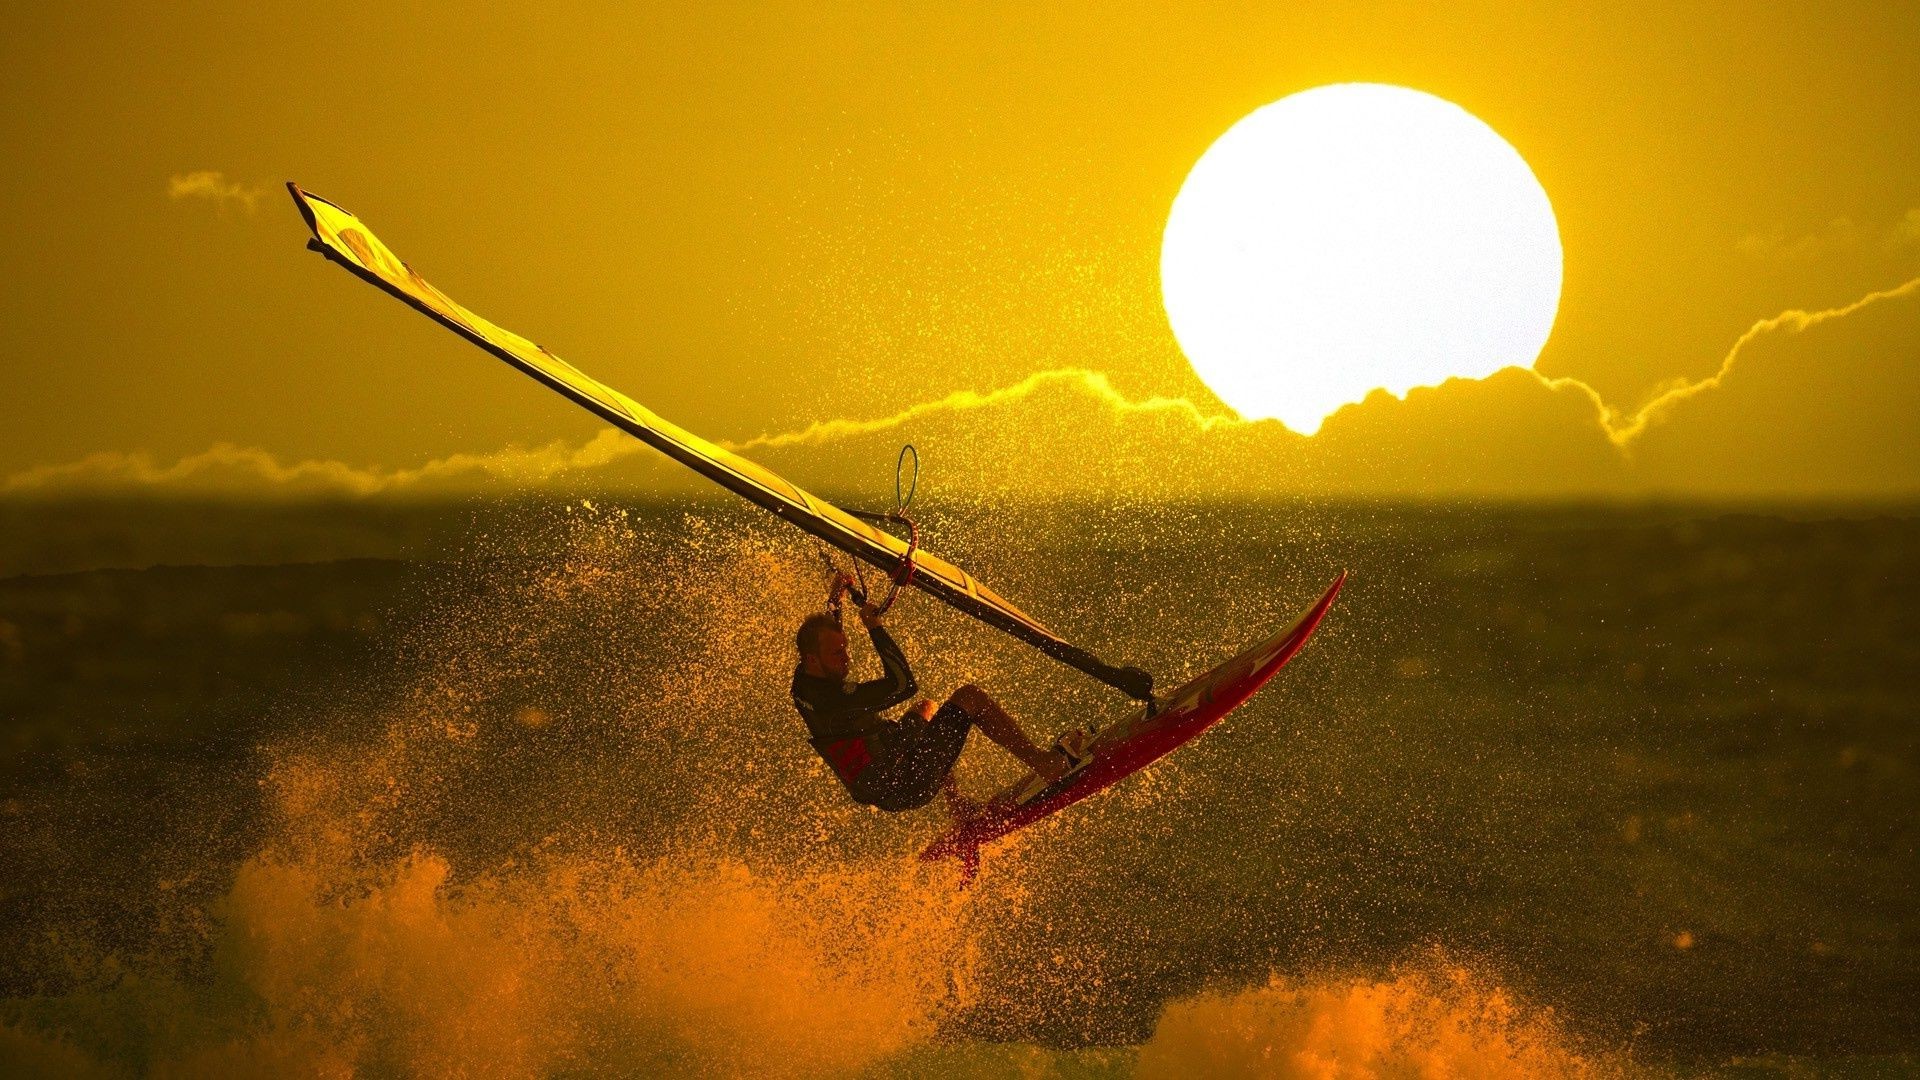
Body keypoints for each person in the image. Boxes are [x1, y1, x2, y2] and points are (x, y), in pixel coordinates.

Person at [791, 576, 1086, 816]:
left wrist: (836, 603)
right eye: (837, 653)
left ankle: (957, 805)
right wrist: (874, 627)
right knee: (970, 698)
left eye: (845, 648)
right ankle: (1045, 763)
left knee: (926, 710)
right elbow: (903, 684)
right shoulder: (837, 702)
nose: (846, 658)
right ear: (814, 659)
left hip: (881, 775)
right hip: (905, 781)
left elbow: (821, 642)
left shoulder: (804, 682)